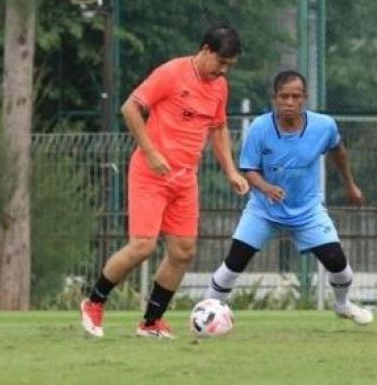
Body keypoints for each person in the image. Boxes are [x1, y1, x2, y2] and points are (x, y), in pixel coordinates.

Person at [80, 25, 250, 339]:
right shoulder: (172, 73)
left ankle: (151, 322)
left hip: (185, 179)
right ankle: (94, 302)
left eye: (229, 66)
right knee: (142, 246)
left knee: (183, 252)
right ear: (205, 50)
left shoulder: (219, 86)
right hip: (150, 173)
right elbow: (130, 108)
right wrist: (151, 152)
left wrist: (230, 171)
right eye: (221, 63)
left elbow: (219, 128)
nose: (223, 71)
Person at [204, 70, 373, 325]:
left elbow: (338, 151)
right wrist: (267, 188)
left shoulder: (324, 126)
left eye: (295, 96)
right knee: (234, 263)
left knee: (337, 262)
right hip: (264, 210)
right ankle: (206, 312)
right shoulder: (261, 127)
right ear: (275, 99)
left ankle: (342, 305)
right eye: (284, 97)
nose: (289, 103)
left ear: (305, 97)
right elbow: (249, 170)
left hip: (307, 210)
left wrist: (351, 185)